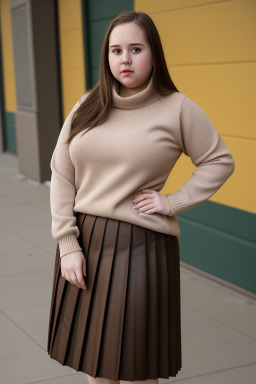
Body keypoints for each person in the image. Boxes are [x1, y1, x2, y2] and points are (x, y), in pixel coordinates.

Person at [47, 10, 235, 384]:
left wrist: (174, 201)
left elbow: (219, 161)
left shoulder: (177, 108)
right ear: (107, 58)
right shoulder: (87, 106)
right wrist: (68, 243)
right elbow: (61, 173)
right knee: (95, 364)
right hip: (85, 242)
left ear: (154, 54)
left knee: (137, 367)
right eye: (116, 50)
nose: (125, 59)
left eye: (136, 48)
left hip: (142, 248)